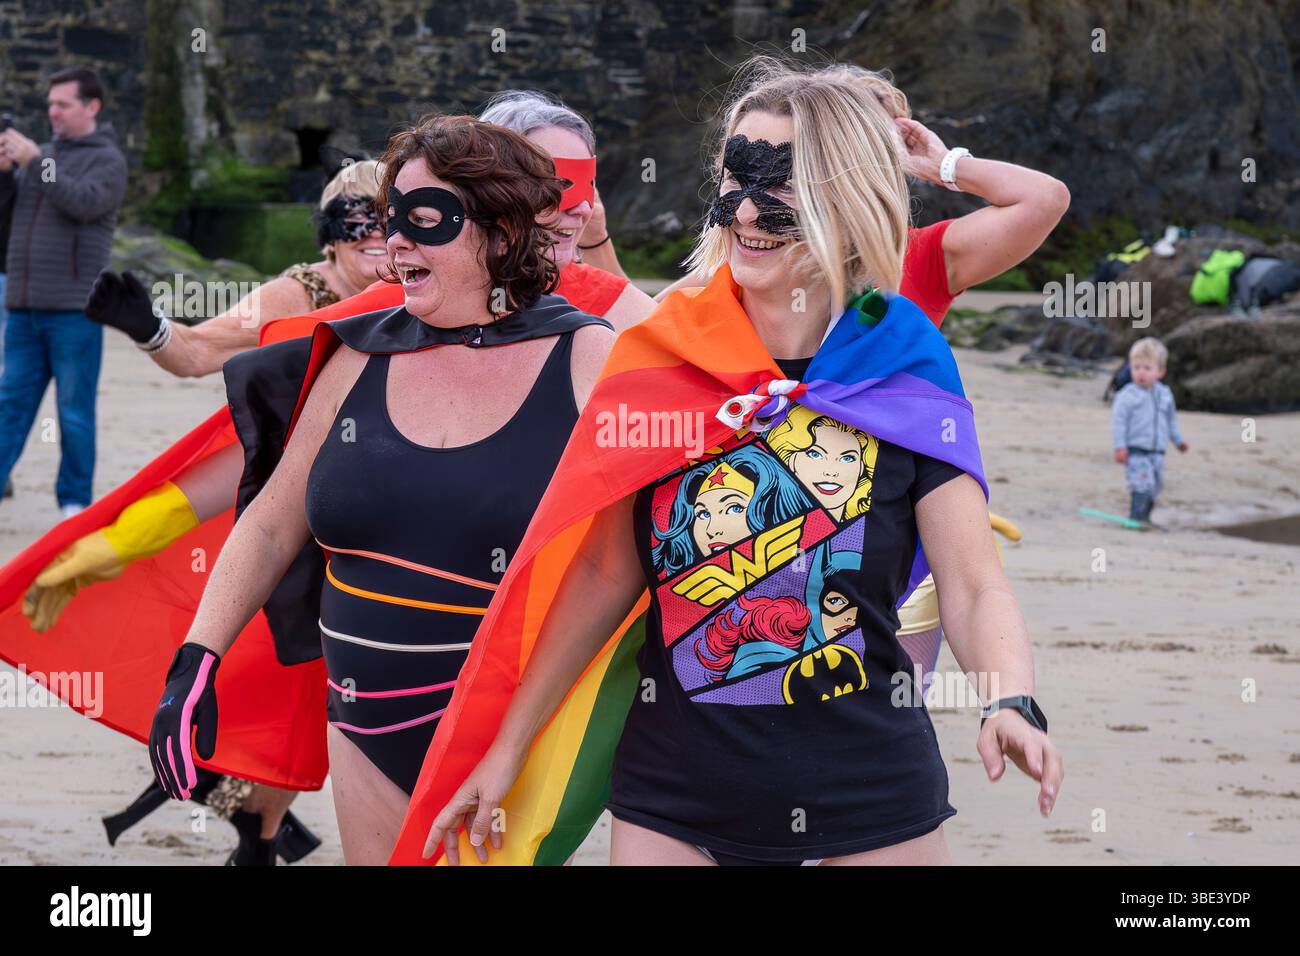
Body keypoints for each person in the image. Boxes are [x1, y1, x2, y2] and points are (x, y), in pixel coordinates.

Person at [398, 57, 1062, 867]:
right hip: (675, 798)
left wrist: (1010, 697)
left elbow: (973, 581)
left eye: (778, 182)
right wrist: (507, 749)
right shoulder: (661, 356)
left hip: (873, 794)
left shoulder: (905, 362)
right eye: (734, 177)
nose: (746, 208)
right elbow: (606, 573)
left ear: (844, 197)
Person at [143, 114, 623, 864]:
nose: (393, 240)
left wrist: (513, 741)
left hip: (513, 730)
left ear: (500, 232)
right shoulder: (358, 356)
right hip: (362, 723)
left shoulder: (590, 360)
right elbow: (272, 523)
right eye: (389, 216)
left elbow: (617, 564)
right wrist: (195, 660)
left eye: (425, 220)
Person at [654, 65, 1071, 329]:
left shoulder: (921, 256)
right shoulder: (756, 255)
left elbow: (1044, 198)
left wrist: (942, 165)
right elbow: (643, 322)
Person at [85, 159, 387, 378]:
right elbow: (198, 351)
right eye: (357, 219)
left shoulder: (422, 291)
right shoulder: (295, 295)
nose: (375, 232)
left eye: (387, 218)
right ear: (330, 233)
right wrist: (150, 328)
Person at [0, 67, 127, 518]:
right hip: (22, 308)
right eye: (50, 103)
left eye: (63, 104)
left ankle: (74, 505)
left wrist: (35, 163)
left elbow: (84, 203)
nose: (52, 111)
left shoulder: (108, 159)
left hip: (75, 311)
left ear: (91, 107)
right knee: (8, 407)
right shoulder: (45, 154)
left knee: (73, 413)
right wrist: (4, 175)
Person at [1111, 336, 1188, 525]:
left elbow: (1170, 420)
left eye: (1147, 368)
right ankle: (1137, 517)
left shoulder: (1165, 395)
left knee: (1156, 485)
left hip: (1158, 451)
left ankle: (1146, 516)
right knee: (1141, 484)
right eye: (1136, 368)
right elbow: (1118, 423)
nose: (1141, 373)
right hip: (1136, 450)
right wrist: (1120, 446)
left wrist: (1178, 441)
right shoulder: (1126, 396)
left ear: (1160, 371)